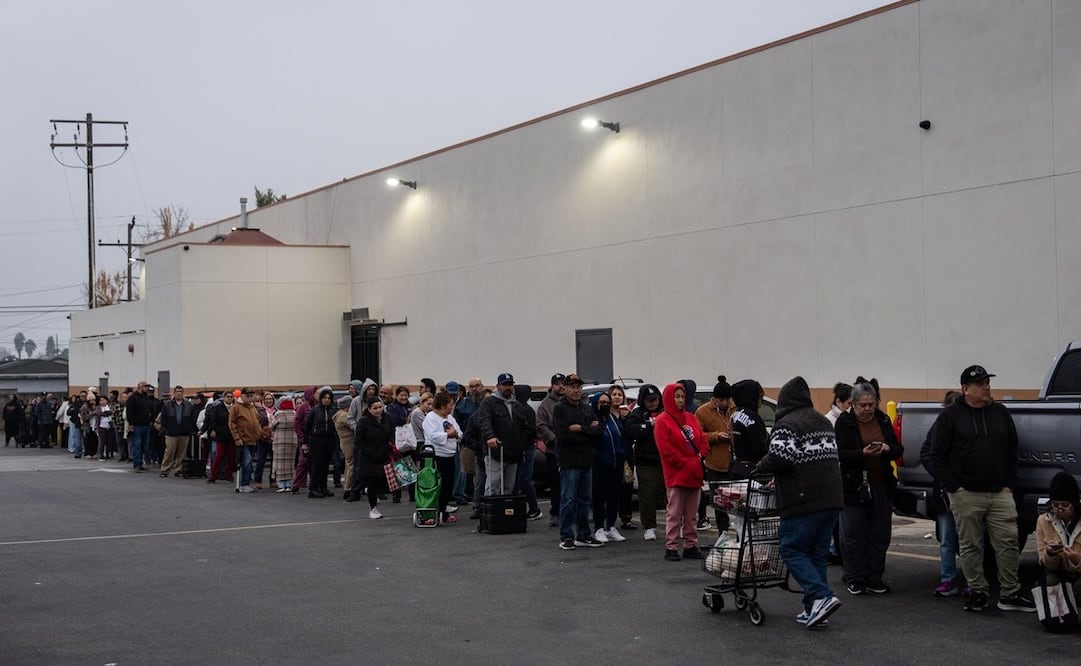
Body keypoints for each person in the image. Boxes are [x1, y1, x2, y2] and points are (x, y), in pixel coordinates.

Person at [931, 364, 1035, 613]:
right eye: (980, 384)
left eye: (988, 382)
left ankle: (1009, 593)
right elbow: (937, 455)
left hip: (1000, 492)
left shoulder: (1000, 413)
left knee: (1009, 541)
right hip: (966, 494)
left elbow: (1013, 450)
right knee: (970, 544)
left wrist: (1010, 484)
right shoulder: (950, 416)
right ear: (965, 389)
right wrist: (954, 488)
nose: (987, 387)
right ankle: (977, 591)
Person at [755, 376, 844, 629]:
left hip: (803, 499)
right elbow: (811, 458)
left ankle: (823, 596)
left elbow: (780, 458)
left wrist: (758, 470)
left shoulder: (787, 423)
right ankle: (814, 609)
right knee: (816, 553)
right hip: (832, 498)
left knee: (792, 549)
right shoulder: (822, 422)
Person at [835, 379, 903, 595]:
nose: (867, 409)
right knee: (853, 534)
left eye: (871, 404)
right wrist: (861, 453)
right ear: (852, 405)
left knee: (880, 533)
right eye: (862, 405)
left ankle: (875, 577)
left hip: (880, 484)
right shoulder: (844, 423)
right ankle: (854, 577)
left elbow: (898, 449)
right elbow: (840, 453)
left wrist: (886, 448)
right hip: (853, 486)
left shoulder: (883, 420)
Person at [655, 382, 709, 561]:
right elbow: (667, 450)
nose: (680, 400)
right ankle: (671, 546)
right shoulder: (663, 420)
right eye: (676, 397)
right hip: (676, 473)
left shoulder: (691, 418)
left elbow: (701, 438)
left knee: (692, 514)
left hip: (694, 472)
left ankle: (690, 545)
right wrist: (688, 462)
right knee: (675, 512)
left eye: (682, 397)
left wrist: (700, 455)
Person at [919, 390, 964, 597]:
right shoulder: (938, 427)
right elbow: (927, 453)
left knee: (972, 538)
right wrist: (942, 475)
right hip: (946, 491)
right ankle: (948, 579)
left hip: (966, 490)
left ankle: (973, 580)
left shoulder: (968, 426)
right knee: (947, 537)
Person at [553, 374, 604, 550]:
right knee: (568, 499)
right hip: (569, 461)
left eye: (578, 387)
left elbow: (599, 431)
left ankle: (583, 534)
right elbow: (564, 435)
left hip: (586, 460)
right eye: (572, 387)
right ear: (565, 389)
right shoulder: (560, 409)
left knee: (585, 500)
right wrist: (588, 431)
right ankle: (566, 535)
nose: (576, 390)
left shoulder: (586, 408)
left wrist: (581, 429)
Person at [473, 373, 536, 497]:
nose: (507, 387)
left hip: (513, 452)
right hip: (495, 451)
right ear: (498, 386)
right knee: (493, 485)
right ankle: (490, 512)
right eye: (504, 384)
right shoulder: (489, 402)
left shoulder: (517, 405)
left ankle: (505, 513)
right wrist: (490, 437)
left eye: (510, 384)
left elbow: (525, 427)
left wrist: (521, 444)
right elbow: (484, 421)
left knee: (509, 487)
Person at [625, 384, 664, 542]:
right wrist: (649, 425)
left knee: (672, 495)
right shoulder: (637, 413)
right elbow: (630, 430)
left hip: (666, 460)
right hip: (646, 461)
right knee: (648, 495)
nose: (654, 403)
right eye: (650, 400)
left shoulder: (665, 412)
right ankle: (649, 526)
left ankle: (679, 524)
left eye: (656, 399)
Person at [695, 376, 734, 531]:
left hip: (733, 463)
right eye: (720, 399)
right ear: (714, 398)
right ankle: (722, 534)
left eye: (727, 399)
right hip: (715, 465)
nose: (724, 403)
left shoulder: (735, 408)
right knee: (719, 503)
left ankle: (738, 536)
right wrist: (716, 436)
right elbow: (697, 436)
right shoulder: (702, 412)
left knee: (738, 504)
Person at [588, 390, 626, 543]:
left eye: (607, 403)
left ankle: (611, 526)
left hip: (616, 464)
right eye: (601, 403)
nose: (605, 405)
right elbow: (591, 444)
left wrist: (622, 453)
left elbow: (621, 436)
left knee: (614, 497)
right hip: (599, 465)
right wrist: (600, 458)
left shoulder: (613, 419)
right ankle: (599, 528)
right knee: (599, 497)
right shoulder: (593, 421)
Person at [1036, 472, 1081, 599]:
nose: (1060, 509)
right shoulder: (1043, 520)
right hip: (1058, 572)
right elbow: (1044, 563)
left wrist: (1077, 559)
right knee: (1048, 581)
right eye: (1055, 505)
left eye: (1065, 505)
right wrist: (1050, 554)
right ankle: (1060, 616)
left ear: (1075, 503)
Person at [347, 398, 395, 518]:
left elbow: (392, 433)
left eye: (380, 407)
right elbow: (358, 441)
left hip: (384, 454)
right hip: (369, 457)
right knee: (372, 480)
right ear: (369, 409)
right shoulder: (363, 422)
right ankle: (373, 509)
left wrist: (391, 445)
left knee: (384, 481)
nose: (378, 410)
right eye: (375, 408)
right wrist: (369, 451)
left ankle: (370, 491)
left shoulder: (387, 418)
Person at [423, 392, 463, 524]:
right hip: (437, 456)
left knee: (447, 486)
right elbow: (433, 436)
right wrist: (448, 435)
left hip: (450, 455)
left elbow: (459, 433)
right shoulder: (431, 418)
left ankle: (444, 512)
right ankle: (432, 513)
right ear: (442, 405)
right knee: (436, 486)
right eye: (450, 405)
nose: (452, 407)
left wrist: (454, 434)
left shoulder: (450, 418)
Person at [536, 373, 566, 526]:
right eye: (557, 383)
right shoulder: (545, 405)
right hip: (554, 451)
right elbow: (541, 426)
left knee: (571, 483)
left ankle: (571, 512)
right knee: (556, 484)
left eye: (563, 383)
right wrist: (554, 439)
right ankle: (555, 512)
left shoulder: (571, 402)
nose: (561, 386)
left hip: (571, 450)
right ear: (552, 386)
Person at [513, 383, 543, 521]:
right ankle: (522, 508)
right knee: (519, 479)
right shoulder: (520, 408)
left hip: (526, 448)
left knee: (524, 479)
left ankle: (534, 508)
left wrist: (521, 444)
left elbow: (529, 430)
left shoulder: (526, 410)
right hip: (522, 447)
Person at [609, 385, 636, 531]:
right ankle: (609, 519)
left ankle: (626, 518)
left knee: (627, 486)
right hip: (612, 455)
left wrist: (627, 419)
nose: (617, 397)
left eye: (620, 394)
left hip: (626, 455)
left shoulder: (628, 415)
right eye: (614, 394)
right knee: (612, 487)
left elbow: (631, 434)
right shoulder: (606, 414)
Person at [304, 387, 339, 498]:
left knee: (325, 465)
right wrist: (305, 442)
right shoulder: (315, 410)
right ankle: (313, 489)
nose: (327, 400)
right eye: (324, 398)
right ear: (320, 399)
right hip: (316, 439)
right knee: (316, 465)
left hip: (329, 439)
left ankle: (323, 487)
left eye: (329, 398)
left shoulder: (333, 410)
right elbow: (307, 427)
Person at [730, 379, 767, 478]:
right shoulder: (753, 418)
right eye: (760, 397)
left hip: (738, 466)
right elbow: (759, 448)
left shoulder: (736, 414)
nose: (761, 401)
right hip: (752, 469)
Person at [230, 388, 265, 493]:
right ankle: (244, 484)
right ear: (243, 396)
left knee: (249, 462)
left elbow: (257, 420)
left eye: (251, 396)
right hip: (243, 440)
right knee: (247, 461)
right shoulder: (236, 407)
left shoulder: (252, 407)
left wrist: (259, 433)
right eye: (248, 396)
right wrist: (237, 438)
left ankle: (246, 482)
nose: (250, 398)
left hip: (253, 439)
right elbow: (232, 424)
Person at [159, 386, 196, 478]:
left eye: (180, 392)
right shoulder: (167, 404)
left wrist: (189, 429)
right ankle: (165, 469)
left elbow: (192, 418)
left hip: (184, 432)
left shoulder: (188, 405)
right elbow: (163, 418)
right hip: (171, 433)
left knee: (182, 453)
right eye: (177, 392)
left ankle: (179, 469)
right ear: (174, 393)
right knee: (169, 452)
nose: (179, 393)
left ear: (182, 393)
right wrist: (167, 428)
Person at [291, 386, 318, 494]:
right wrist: (302, 439)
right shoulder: (303, 407)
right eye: (316, 393)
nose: (318, 395)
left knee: (315, 462)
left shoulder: (318, 406)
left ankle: (315, 484)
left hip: (316, 438)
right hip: (305, 439)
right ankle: (296, 484)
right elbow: (297, 424)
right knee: (303, 462)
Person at [206, 390, 237, 482]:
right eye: (228, 397)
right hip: (221, 435)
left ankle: (228, 475)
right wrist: (214, 430)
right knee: (219, 455)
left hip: (232, 436)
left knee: (231, 456)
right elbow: (213, 421)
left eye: (231, 397)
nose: (229, 398)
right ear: (224, 398)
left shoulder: (235, 408)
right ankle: (213, 476)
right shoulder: (217, 407)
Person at [270, 398, 297, 493]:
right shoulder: (295, 413)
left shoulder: (279, 414)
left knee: (279, 463)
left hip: (280, 441)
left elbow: (272, 426)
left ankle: (281, 485)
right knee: (290, 463)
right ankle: (289, 485)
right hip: (293, 441)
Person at [126, 381, 154, 472]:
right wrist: (131, 424)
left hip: (146, 424)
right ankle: (136, 464)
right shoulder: (133, 398)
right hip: (137, 425)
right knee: (137, 445)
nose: (147, 388)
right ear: (140, 387)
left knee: (144, 445)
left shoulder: (146, 397)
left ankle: (141, 463)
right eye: (145, 387)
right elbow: (129, 412)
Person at [252, 392, 277, 489]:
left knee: (274, 462)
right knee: (261, 461)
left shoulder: (277, 411)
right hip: (263, 439)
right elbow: (256, 424)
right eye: (266, 399)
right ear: (263, 401)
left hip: (274, 440)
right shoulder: (259, 411)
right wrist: (262, 433)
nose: (268, 401)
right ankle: (257, 481)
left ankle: (273, 480)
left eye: (270, 399)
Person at [333, 396, 356, 499]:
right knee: (351, 465)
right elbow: (353, 425)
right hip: (349, 443)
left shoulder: (338, 415)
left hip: (344, 443)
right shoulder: (344, 415)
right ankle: (348, 488)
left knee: (348, 465)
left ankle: (348, 487)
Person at [92, 395, 116, 460]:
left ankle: (108, 454)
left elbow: (113, 412)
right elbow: (98, 413)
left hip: (110, 426)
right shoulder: (98, 407)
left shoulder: (110, 406)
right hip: (102, 426)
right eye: (100, 400)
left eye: (103, 400)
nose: (102, 402)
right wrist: (106, 413)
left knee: (109, 441)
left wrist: (108, 413)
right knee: (102, 442)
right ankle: (101, 454)